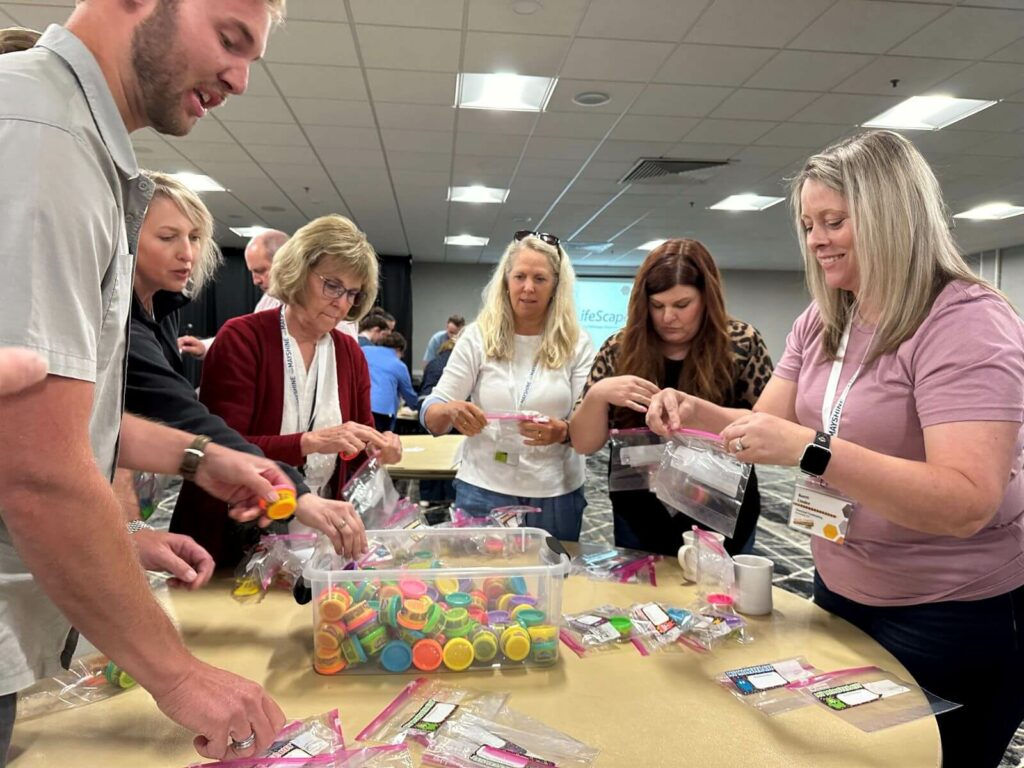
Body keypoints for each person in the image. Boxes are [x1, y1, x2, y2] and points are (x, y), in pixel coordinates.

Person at [646, 130, 1024, 767]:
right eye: (808, 224)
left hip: (952, 609)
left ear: (889, 216)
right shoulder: (825, 317)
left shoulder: (965, 320)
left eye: (834, 221)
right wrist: (696, 412)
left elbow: (967, 501)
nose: (816, 239)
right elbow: (763, 425)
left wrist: (814, 451)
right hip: (844, 585)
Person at [0, 1, 294, 763]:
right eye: (230, 40)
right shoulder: (46, 135)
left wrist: (203, 460)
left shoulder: (76, 142)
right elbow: (34, 467)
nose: (239, 77)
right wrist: (177, 672)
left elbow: (68, 420)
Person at [125, 171, 367, 566]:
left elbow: (145, 431)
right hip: (231, 529)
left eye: (195, 238)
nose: (187, 253)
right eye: (169, 237)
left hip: (299, 529)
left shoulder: (162, 310)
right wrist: (296, 484)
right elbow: (190, 424)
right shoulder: (241, 335)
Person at [569, 239, 771, 556]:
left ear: (707, 299)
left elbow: (769, 430)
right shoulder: (619, 348)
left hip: (722, 514)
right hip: (639, 516)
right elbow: (582, 443)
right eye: (657, 305)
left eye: (681, 305)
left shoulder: (741, 343)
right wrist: (598, 395)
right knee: (643, 602)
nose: (668, 318)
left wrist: (698, 413)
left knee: (722, 601)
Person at [198, 214, 403, 506]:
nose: (342, 303)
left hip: (321, 521)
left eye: (353, 293)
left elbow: (359, 443)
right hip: (241, 515)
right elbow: (220, 448)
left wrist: (380, 450)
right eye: (332, 286)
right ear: (297, 271)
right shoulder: (243, 338)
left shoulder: (349, 353)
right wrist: (310, 442)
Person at [421, 232, 594, 541]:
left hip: (555, 492)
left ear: (556, 286)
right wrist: (450, 410)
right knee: (480, 586)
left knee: (556, 585)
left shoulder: (577, 343)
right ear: (505, 281)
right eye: (520, 276)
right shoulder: (477, 337)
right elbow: (432, 414)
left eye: (540, 278)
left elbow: (589, 426)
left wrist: (564, 431)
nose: (528, 287)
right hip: (483, 490)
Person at [364, 332, 419, 432]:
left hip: (360, 405)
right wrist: (417, 407)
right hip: (382, 411)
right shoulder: (399, 365)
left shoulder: (365, 350)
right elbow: (408, 393)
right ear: (399, 349)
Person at [419, 336, 457, 403]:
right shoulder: (454, 364)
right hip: (442, 402)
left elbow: (423, 384)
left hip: (424, 401)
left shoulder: (431, 363)